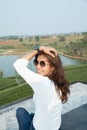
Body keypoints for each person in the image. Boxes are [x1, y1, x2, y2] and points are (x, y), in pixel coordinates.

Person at [13, 46, 70, 130]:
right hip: (56, 127)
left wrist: (39, 48)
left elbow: (18, 65)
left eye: (42, 63)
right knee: (34, 114)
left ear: (53, 67)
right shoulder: (60, 83)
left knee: (20, 111)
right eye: (36, 62)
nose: (38, 66)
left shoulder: (42, 82)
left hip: (37, 128)